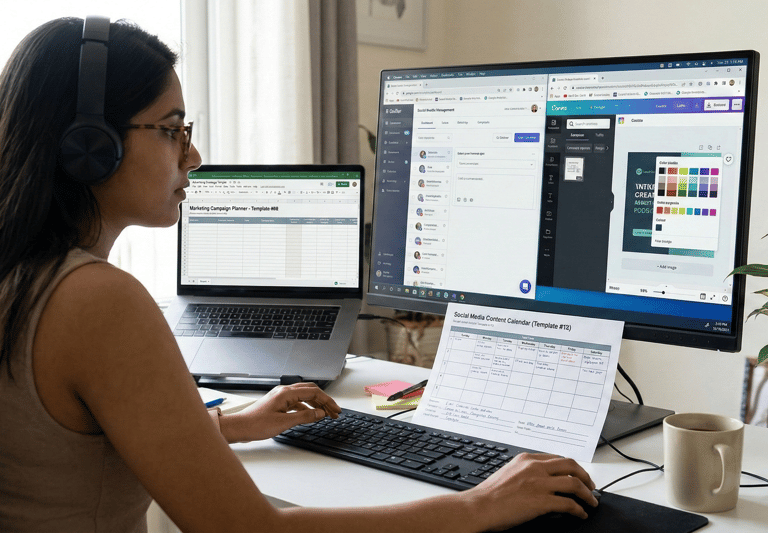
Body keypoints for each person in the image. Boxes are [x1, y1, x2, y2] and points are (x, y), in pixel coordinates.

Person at [0, 17, 597, 533]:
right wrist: (479, 506)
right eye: (171, 129)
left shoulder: (29, 277)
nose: (193, 156)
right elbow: (251, 528)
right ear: (90, 146)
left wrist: (231, 425)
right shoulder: (96, 300)